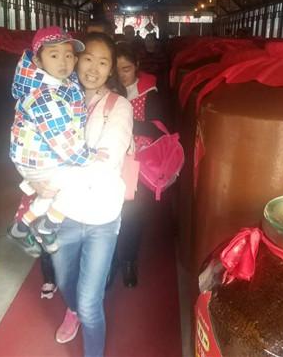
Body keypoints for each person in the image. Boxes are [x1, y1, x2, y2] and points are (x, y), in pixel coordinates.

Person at [32, 32, 133, 357]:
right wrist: (34, 177)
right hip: (64, 215)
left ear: (111, 69)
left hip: (102, 217)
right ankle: (72, 310)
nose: (93, 68)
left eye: (103, 62)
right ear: (76, 60)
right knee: (66, 283)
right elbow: (34, 149)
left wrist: (54, 176)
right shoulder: (56, 100)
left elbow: (108, 160)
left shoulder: (119, 107)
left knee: (90, 302)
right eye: (87, 58)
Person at [8, 26, 106, 255]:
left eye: (69, 55)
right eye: (54, 55)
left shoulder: (58, 83)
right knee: (82, 182)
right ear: (38, 61)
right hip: (40, 159)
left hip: (41, 156)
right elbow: (63, 142)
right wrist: (89, 156)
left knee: (52, 191)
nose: (63, 62)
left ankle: (21, 227)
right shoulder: (45, 96)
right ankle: (47, 226)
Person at [113, 42, 165, 287]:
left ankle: (128, 260)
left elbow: (159, 129)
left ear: (136, 67)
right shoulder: (107, 90)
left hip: (137, 164)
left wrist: (125, 122)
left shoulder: (148, 93)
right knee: (110, 212)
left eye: (126, 69)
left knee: (132, 215)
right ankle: (111, 259)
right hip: (111, 160)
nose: (122, 75)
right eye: (117, 70)